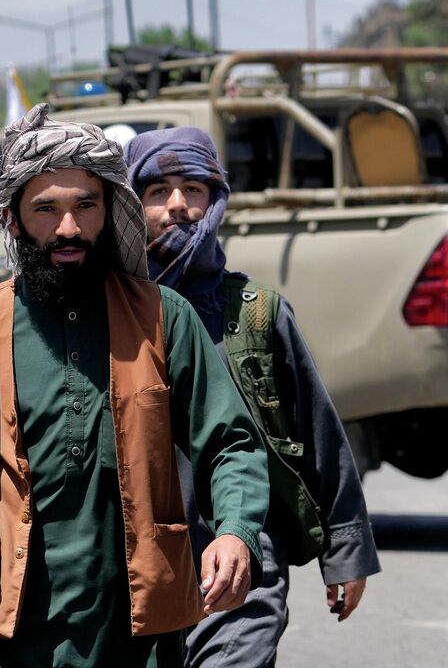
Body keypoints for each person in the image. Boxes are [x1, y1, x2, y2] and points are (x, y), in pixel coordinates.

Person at [0, 105, 269, 667]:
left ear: (109, 211)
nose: (68, 229)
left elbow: (231, 442)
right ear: (12, 219)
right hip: (7, 636)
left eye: (85, 206)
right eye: (45, 210)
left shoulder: (162, 317)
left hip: (140, 640)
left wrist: (236, 532)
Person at [123, 127, 380, 667]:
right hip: (131, 574)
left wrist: (346, 552)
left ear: (215, 200)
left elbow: (318, 431)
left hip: (241, 566)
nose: (178, 206)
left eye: (193, 189)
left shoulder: (257, 313)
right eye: (157, 191)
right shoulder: (107, 313)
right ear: (130, 204)